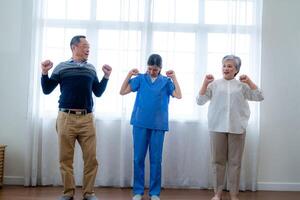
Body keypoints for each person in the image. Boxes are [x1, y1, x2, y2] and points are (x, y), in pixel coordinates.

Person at [41, 35, 112, 200]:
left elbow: (98, 92)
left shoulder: (91, 69)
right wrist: (45, 73)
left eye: (89, 46)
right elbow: (47, 89)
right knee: (65, 159)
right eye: (85, 46)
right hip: (66, 117)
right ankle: (68, 192)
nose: (88, 49)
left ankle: (89, 193)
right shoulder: (61, 67)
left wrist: (106, 76)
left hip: (87, 119)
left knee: (91, 159)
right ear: (74, 47)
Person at [196, 55, 264, 200]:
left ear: (236, 70)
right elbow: (200, 101)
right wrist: (205, 82)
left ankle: (234, 194)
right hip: (216, 126)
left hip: (237, 127)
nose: (226, 68)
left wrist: (249, 81)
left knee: (235, 162)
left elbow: (259, 96)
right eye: (224, 65)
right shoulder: (214, 84)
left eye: (230, 66)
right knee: (217, 162)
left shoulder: (242, 86)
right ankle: (218, 193)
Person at [120, 54, 182, 200]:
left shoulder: (166, 82)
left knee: (156, 159)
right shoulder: (141, 79)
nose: (152, 72)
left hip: (158, 125)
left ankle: (154, 193)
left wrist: (174, 78)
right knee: (138, 158)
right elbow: (122, 91)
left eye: (155, 69)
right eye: (149, 69)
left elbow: (178, 95)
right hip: (140, 123)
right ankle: (138, 191)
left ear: (160, 68)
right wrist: (129, 74)